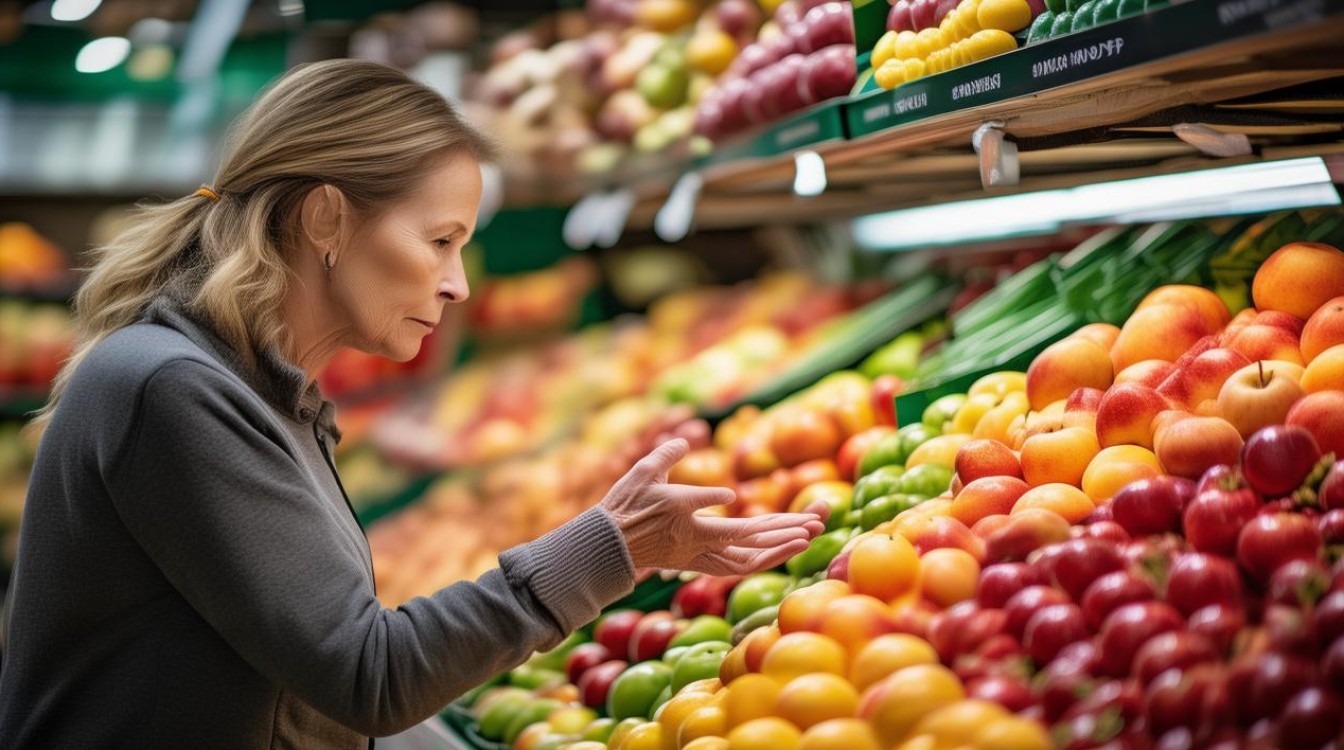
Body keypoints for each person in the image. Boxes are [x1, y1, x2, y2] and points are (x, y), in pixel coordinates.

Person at [0, 60, 825, 749]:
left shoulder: (251, 387)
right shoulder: (172, 388)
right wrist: (604, 550)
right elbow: (367, 673)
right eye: (440, 241)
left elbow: (302, 685)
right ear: (325, 217)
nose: (458, 284)